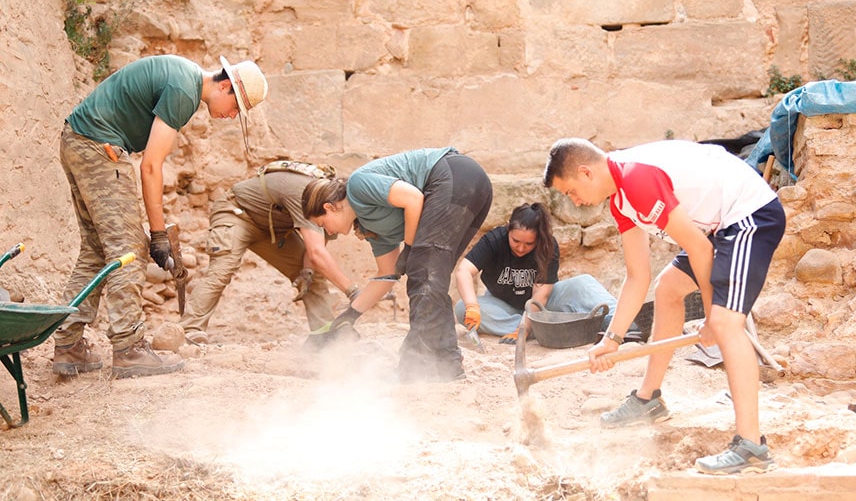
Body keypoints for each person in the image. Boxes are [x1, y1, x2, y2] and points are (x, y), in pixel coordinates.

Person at [543, 138, 785, 474]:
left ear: (585, 172)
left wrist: (713, 313)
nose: (575, 200)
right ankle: (649, 399)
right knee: (668, 287)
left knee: (727, 323)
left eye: (570, 191)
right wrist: (611, 339)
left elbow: (699, 249)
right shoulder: (621, 201)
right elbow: (636, 276)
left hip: (749, 215)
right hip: (718, 226)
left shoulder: (635, 178)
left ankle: (752, 448)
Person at [53, 54, 268, 378]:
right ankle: (129, 348)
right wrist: (157, 236)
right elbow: (151, 166)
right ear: (225, 85)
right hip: (100, 146)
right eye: (236, 107)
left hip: (78, 140)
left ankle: (68, 346)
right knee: (128, 250)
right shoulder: (184, 90)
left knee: (97, 251)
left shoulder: (182, 76)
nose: (231, 115)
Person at [302, 147, 493, 382]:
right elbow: (387, 275)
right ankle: (449, 367)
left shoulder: (358, 186)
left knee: (423, 274)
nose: (327, 232)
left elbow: (413, 198)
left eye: (322, 224)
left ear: (329, 207)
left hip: (456, 176)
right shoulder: (369, 227)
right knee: (432, 280)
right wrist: (349, 316)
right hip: (471, 188)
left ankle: (413, 368)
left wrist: (411, 249)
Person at [178, 162, 360, 345]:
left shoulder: (326, 203)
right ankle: (189, 331)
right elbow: (317, 253)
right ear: (332, 206)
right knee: (221, 272)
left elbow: (318, 249)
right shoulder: (310, 195)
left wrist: (307, 272)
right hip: (237, 213)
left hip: (272, 230)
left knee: (315, 276)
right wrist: (354, 292)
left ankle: (325, 337)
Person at [454, 202, 617, 344]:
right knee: (462, 308)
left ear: (539, 238)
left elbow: (541, 296)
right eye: (515, 240)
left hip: (542, 305)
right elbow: (464, 271)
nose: (520, 248)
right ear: (508, 227)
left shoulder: (548, 246)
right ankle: (554, 326)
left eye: (529, 243)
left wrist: (523, 331)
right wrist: (472, 306)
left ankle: (623, 322)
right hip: (503, 306)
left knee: (584, 283)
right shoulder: (494, 240)